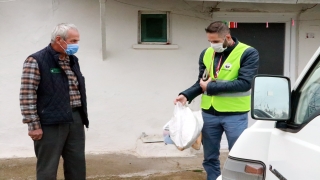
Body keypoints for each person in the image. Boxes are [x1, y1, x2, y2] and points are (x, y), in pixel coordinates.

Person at [174, 21, 259, 180]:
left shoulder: (248, 52)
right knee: (210, 157)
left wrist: (210, 87)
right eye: (209, 41)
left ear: (227, 37)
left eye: (215, 42)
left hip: (235, 114)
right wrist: (186, 95)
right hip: (209, 114)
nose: (212, 45)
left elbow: (244, 83)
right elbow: (202, 82)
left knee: (238, 155)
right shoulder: (206, 53)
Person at [19, 23, 89, 180]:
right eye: (73, 41)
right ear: (59, 39)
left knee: (77, 165)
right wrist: (33, 125)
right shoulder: (36, 60)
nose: (76, 45)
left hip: (75, 119)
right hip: (51, 122)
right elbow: (27, 94)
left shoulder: (72, 60)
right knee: (48, 168)